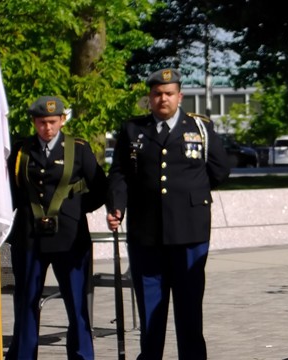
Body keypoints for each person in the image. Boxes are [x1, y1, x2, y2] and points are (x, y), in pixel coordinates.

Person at [106, 68, 230, 359]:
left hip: (190, 231)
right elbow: (120, 173)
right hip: (145, 232)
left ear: (180, 96)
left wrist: (188, 194)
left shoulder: (200, 128)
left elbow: (220, 170)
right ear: (149, 98)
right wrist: (117, 206)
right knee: (150, 311)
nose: (163, 99)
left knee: (189, 310)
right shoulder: (133, 130)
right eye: (157, 94)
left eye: (169, 93)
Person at [6, 96, 107, 359]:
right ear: (34, 122)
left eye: (52, 122)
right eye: (41, 122)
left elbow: (100, 188)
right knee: (26, 303)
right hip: (29, 238)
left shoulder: (79, 149)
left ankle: (82, 355)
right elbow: (12, 193)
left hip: (70, 238)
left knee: (76, 303)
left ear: (62, 120)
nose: (47, 128)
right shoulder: (21, 151)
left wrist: (74, 210)